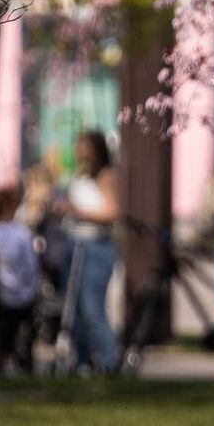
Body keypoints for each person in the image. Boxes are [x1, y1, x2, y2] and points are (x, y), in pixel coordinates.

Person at [60, 130, 120, 374]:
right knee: (74, 308)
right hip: (74, 243)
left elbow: (111, 212)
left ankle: (110, 359)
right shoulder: (78, 176)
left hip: (95, 246)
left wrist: (78, 212)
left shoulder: (106, 177)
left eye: (84, 147)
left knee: (91, 307)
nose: (79, 152)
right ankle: (82, 359)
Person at [0, 187, 41, 374]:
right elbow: (32, 268)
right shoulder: (20, 234)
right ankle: (15, 352)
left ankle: (8, 352)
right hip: (17, 298)